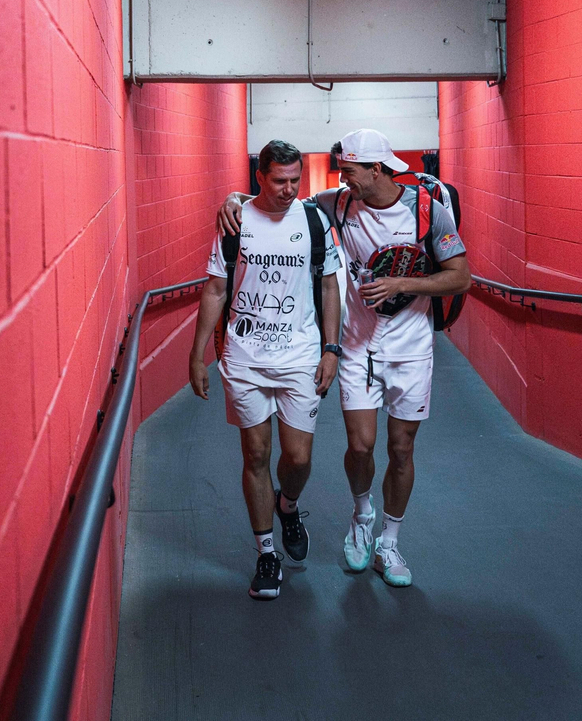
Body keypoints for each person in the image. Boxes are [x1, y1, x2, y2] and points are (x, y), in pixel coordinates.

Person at [218, 129, 470, 588]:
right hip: (357, 346)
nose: (342, 178)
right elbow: (279, 196)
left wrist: (402, 284)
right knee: (359, 446)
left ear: (377, 169)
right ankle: (361, 517)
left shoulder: (428, 210)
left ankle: (389, 542)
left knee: (401, 448)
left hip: (411, 348)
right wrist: (234, 196)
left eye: (350, 171)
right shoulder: (340, 202)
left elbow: (461, 277)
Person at [187, 140, 342, 599]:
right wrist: (198, 355)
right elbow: (216, 290)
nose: (289, 189)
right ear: (260, 176)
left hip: (300, 355)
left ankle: (288, 504)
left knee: (298, 458)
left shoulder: (314, 220)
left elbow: (330, 286)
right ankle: (266, 553)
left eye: (295, 180)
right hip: (245, 357)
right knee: (255, 456)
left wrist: (331, 348)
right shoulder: (235, 223)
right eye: (280, 180)